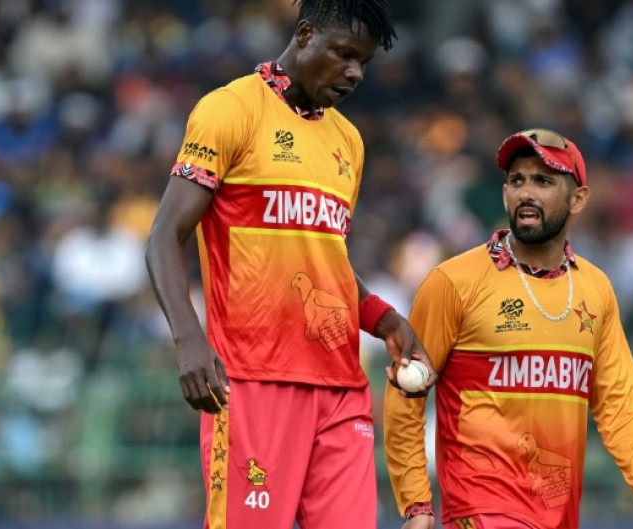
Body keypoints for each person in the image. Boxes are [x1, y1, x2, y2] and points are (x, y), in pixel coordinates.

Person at [145, 2, 436, 528]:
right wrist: (188, 338)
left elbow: (321, 256)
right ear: (304, 34)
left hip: (342, 388)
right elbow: (165, 234)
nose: (354, 73)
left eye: (363, 63)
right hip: (254, 384)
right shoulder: (229, 110)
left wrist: (382, 318)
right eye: (344, 55)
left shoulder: (348, 141)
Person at [384, 128, 633, 529]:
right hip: (480, 511)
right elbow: (406, 397)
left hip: (558, 513)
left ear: (578, 199)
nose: (526, 192)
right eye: (516, 181)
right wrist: (417, 505)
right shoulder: (453, 282)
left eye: (543, 181)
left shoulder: (596, 289)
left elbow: (619, 402)